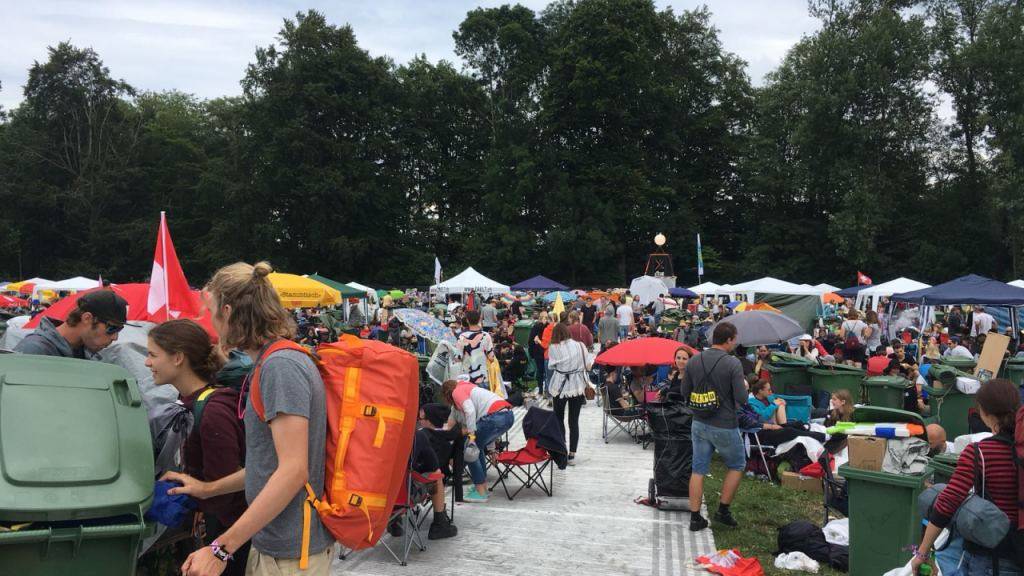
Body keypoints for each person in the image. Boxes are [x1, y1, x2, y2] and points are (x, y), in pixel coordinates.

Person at [165, 262, 332, 576]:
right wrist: (207, 489)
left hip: (290, 555)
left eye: (211, 309)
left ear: (227, 311)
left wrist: (221, 548)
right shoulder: (271, 361)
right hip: (275, 546)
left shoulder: (280, 366)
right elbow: (267, 464)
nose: (210, 320)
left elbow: (294, 470)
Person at [148, 320, 250, 576]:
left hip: (229, 544)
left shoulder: (212, 411)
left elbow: (226, 491)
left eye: (152, 355)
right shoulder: (197, 402)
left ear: (178, 358)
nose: (147, 363)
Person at [912, 378, 1021, 576]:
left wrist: (922, 552)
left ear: (985, 413)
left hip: (990, 555)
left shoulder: (979, 452)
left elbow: (948, 502)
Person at [678, 322, 747, 531]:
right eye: (734, 339)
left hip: (699, 422)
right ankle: (723, 510)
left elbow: (684, 392)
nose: (735, 342)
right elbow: (742, 398)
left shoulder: (694, 359)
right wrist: (744, 385)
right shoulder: (733, 363)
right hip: (724, 423)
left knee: (698, 469)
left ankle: (695, 517)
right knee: (737, 465)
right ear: (728, 340)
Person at [441, 379, 513, 503]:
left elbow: (470, 411)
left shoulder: (457, 391)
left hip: (495, 416)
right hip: (508, 415)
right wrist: (491, 449)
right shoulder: (469, 388)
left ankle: (481, 492)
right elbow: (487, 423)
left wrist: (472, 436)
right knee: (477, 449)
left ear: (448, 394)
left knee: (470, 451)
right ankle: (482, 488)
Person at [14, 289, 128, 358]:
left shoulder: (85, 352)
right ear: (87, 318)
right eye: (112, 328)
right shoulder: (33, 350)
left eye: (119, 330)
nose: (115, 337)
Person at [547, 323, 591, 465]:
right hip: (577, 386)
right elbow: (588, 364)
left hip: (560, 386)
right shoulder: (580, 345)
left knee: (558, 419)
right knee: (574, 421)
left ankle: (562, 450)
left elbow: (552, 365)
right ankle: (572, 453)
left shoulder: (554, 347)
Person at [456, 310, 496, 387]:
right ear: (479, 319)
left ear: (467, 320)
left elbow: (458, 358)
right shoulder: (486, 335)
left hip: (467, 377)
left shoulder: (462, 337)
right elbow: (491, 357)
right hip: (483, 376)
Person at [528, 312, 549, 395]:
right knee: (547, 372)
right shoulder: (548, 327)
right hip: (546, 351)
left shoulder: (535, 327)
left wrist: (532, 353)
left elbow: (530, 341)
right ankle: (546, 389)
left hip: (538, 352)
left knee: (540, 371)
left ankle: (540, 388)